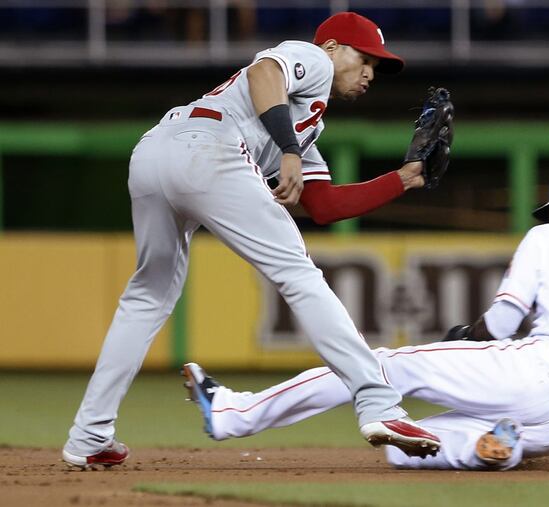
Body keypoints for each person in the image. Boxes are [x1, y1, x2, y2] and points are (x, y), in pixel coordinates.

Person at [62, 11, 443, 469]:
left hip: (153, 154)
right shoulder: (314, 61)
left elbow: (324, 206)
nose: (368, 74)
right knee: (298, 275)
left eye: (376, 69)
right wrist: (285, 150)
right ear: (333, 47)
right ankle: (379, 403)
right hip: (209, 147)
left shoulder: (304, 125)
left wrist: (403, 179)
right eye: (364, 59)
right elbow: (266, 72)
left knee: (147, 295)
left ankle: (89, 434)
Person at [181, 166, 549, 470]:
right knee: (402, 445)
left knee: (376, 368)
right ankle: (491, 449)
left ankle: (233, 413)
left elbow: (505, 322)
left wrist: (468, 338)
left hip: (540, 369)